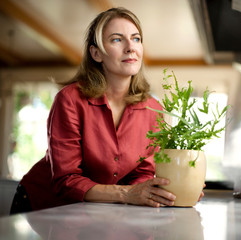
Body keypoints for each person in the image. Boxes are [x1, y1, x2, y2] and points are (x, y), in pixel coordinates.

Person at [10, 7, 178, 213]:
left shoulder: (154, 110)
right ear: (96, 53)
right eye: (117, 39)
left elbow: (142, 174)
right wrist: (126, 194)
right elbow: (66, 180)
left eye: (136, 39)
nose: (130, 47)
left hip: (94, 210)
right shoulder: (70, 100)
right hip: (42, 204)